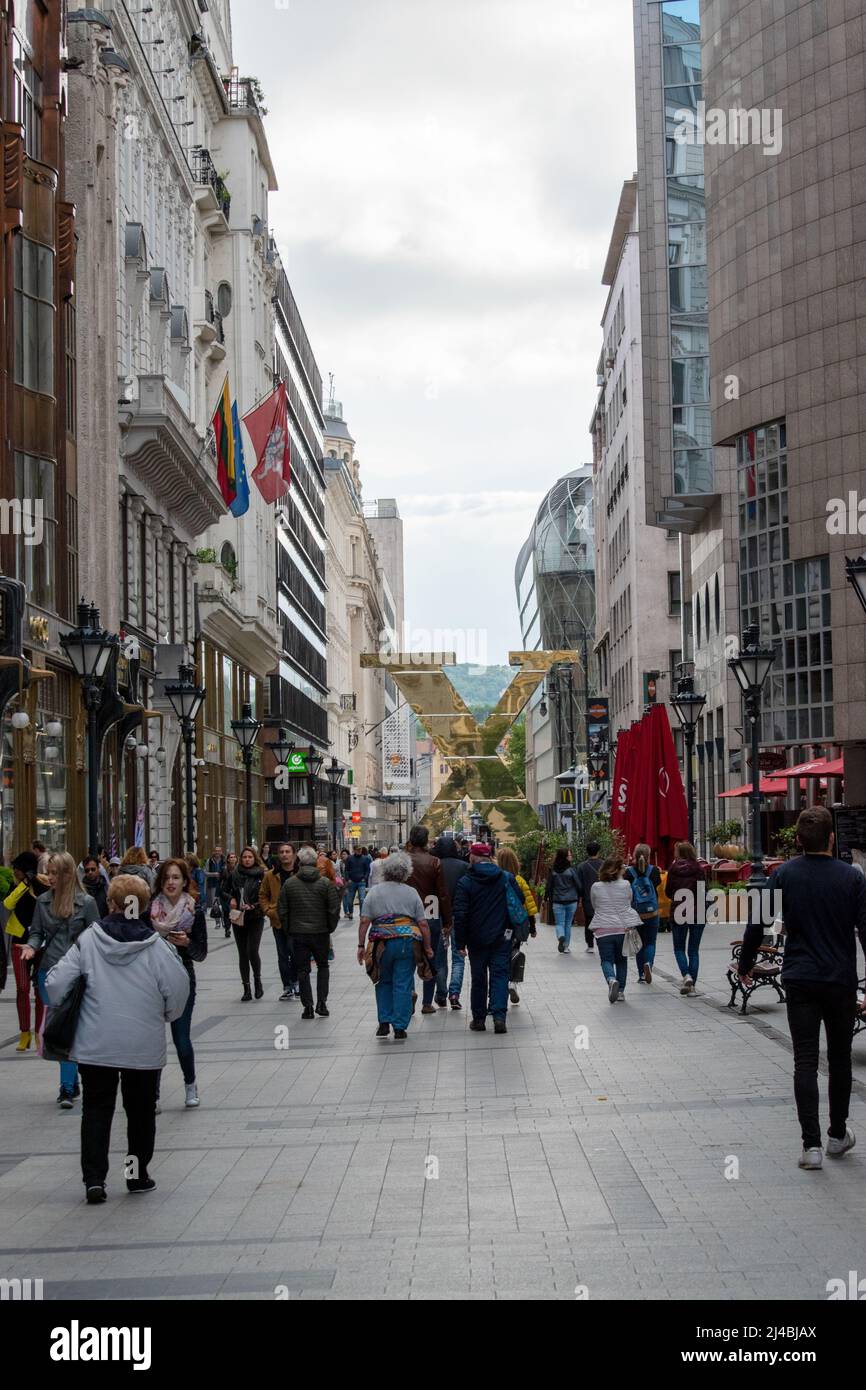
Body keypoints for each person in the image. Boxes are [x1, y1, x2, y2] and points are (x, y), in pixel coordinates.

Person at [44, 874, 190, 1203]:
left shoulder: (88, 940)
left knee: (97, 1110)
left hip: (96, 1045)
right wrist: (165, 1014)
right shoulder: (156, 946)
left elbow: (54, 986)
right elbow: (178, 990)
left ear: (110, 904)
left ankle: (95, 1180)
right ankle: (135, 1176)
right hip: (142, 1046)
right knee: (139, 1113)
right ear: (143, 907)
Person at [739, 806, 866, 1170]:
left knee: (806, 1060)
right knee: (840, 1058)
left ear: (797, 840)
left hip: (799, 979)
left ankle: (810, 1146)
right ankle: (837, 1134)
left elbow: (756, 924)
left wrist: (746, 965)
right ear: (831, 838)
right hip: (840, 979)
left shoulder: (782, 875)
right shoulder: (853, 879)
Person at [21, 852, 100, 1105]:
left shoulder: (86, 902)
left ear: (67, 874)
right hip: (50, 972)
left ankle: (74, 1079)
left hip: (78, 971)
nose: (50, 877)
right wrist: (31, 947)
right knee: (61, 1026)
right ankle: (67, 1086)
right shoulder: (42, 902)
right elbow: (36, 932)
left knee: (76, 1026)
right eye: (48, 872)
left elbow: (96, 936)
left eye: (55, 872)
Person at [150, 858, 208, 1108]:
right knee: (153, 1040)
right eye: (166, 878)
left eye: (175, 877)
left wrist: (187, 944)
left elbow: (201, 952)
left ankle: (190, 1084)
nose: (170, 882)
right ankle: (153, 1094)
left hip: (182, 977)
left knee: (181, 1037)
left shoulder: (194, 912)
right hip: (151, 979)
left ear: (185, 881)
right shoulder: (149, 912)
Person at [356, 851, 433, 1041]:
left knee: (382, 980)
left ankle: (384, 1022)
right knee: (403, 983)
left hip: (381, 943)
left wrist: (360, 945)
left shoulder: (374, 892)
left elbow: (365, 921)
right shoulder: (411, 892)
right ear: (406, 872)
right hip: (407, 942)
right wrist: (428, 946)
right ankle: (399, 1027)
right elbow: (422, 923)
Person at [452, 842, 516, 1034]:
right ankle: (499, 1017)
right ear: (490, 858)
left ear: (472, 858)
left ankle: (479, 1019)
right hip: (502, 937)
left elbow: (460, 914)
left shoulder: (466, 882)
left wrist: (460, 942)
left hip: (476, 939)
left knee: (479, 977)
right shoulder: (506, 878)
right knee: (500, 975)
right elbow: (517, 902)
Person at [278, 845, 340, 1019]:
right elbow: (333, 908)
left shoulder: (289, 884)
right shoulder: (325, 883)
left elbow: (282, 909)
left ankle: (308, 1007)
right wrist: (330, 927)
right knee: (323, 966)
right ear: (315, 862)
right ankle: (322, 1002)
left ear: (299, 862)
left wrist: (288, 928)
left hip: (298, 933)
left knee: (303, 970)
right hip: (320, 932)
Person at [4, 850, 50, 1050]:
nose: (14, 871)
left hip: (40, 942)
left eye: (17, 868)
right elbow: (8, 903)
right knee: (22, 988)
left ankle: (39, 1032)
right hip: (18, 941)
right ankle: (24, 1033)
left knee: (40, 989)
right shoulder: (16, 886)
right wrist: (23, 885)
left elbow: (49, 901)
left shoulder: (42, 885)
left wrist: (35, 882)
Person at [405, 825, 452, 1014]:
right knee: (431, 957)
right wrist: (447, 921)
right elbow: (442, 894)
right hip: (430, 914)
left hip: (406, 916)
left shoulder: (402, 861)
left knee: (406, 959)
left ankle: (409, 991)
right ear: (426, 841)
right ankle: (426, 1003)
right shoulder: (434, 862)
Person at [590, 856, 642, 1003]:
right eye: (623, 867)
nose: (625, 870)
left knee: (606, 960)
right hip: (622, 929)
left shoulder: (596, 886)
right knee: (621, 960)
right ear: (617, 870)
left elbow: (595, 905)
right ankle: (620, 992)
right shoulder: (626, 884)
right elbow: (629, 902)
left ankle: (611, 979)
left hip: (603, 930)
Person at [495, 847, 537, 1005]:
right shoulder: (519, 880)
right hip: (517, 924)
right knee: (514, 951)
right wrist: (532, 927)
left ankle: (500, 984)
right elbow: (529, 905)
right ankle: (512, 983)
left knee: (500, 955)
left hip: (499, 924)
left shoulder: (495, 879)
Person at [666, 841, 708, 994]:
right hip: (697, 912)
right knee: (693, 951)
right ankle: (692, 985)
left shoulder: (672, 869)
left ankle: (686, 975)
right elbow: (704, 891)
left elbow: (668, 891)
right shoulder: (699, 869)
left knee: (679, 948)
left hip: (679, 912)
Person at [259, 843, 300, 1001]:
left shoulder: (299, 872)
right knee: (282, 955)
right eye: (282, 852)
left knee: (295, 953)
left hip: (296, 920)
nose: (284, 855)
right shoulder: (271, 875)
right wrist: (268, 911)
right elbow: (262, 895)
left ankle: (296, 982)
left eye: (287, 852)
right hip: (278, 920)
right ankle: (287, 986)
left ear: (294, 854)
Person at [433, 838, 470, 1008]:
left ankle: (441, 993)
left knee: (440, 958)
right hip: (459, 917)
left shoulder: (434, 865)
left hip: (438, 916)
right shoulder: (463, 866)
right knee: (458, 957)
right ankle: (454, 994)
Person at [229, 847, 267, 1001]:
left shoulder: (261, 875)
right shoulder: (235, 874)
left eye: (250, 857)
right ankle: (246, 987)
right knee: (242, 953)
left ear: (255, 858)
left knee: (252, 950)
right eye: (244, 857)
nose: (247, 859)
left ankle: (257, 980)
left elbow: (266, 895)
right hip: (238, 916)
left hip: (255, 916)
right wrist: (230, 898)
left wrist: (255, 905)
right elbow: (225, 890)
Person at [624, 843, 662, 984]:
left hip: (636, 913)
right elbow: (657, 884)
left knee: (638, 944)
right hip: (652, 913)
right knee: (650, 942)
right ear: (649, 856)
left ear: (634, 855)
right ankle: (649, 965)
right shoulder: (654, 871)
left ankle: (641, 974)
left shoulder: (629, 873)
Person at [544, 847, 581, 954]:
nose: (571, 857)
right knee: (568, 924)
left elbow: (549, 886)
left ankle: (561, 936)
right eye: (569, 855)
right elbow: (579, 885)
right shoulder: (572, 870)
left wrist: (546, 898)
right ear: (565, 857)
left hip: (557, 901)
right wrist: (581, 895)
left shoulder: (553, 871)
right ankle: (566, 947)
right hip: (571, 900)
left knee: (560, 923)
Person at [574, 841, 603, 953]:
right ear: (598, 851)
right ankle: (601, 942)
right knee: (602, 921)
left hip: (588, 898)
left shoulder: (581, 867)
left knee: (589, 921)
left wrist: (580, 898)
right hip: (603, 898)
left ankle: (590, 945)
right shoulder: (604, 865)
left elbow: (579, 884)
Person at [342, 843, 372, 919]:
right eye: (358, 850)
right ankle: (351, 912)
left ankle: (361, 914)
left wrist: (365, 878)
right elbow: (346, 870)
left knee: (362, 899)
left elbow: (367, 870)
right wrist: (348, 879)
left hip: (361, 882)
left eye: (360, 849)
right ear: (354, 850)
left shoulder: (365, 859)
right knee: (350, 900)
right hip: (352, 881)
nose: (359, 851)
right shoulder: (350, 858)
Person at [218, 852, 238, 938]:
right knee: (226, 912)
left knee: (233, 912)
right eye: (231, 857)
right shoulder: (224, 870)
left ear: (236, 859)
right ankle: (227, 929)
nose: (232, 859)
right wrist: (217, 895)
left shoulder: (238, 870)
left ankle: (234, 927)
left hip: (234, 894)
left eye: (234, 857)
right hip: (224, 894)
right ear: (228, 859)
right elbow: (219, 883)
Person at [204, 846, 226, 910]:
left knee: (223, 904)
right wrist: (214, 874)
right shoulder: (209, 861)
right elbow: (205, 872)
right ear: (213, 852)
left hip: (223, 885)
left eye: (219, 851)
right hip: (213, 885)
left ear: (221, 852)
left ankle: (224, 919)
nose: (217, 852)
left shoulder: (225, 860)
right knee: (214, 904)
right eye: (216, 851)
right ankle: (216, 919)